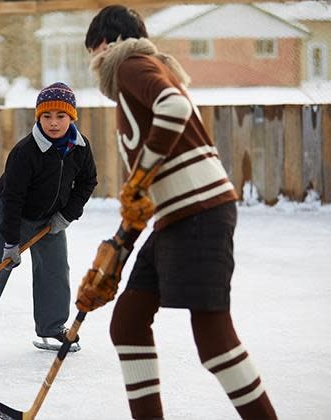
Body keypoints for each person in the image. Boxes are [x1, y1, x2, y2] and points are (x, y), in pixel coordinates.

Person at [76, 6, 277, 419]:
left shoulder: (129, 62)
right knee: (128, 323)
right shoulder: (139, 75)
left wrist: (143, 172)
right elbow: (144, 193)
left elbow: (174, 108)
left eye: (92, 49)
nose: (92, 62)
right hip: (178, 217)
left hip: (200, 212)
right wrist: (120, 245)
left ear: (107, 43)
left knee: (215, 339)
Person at [0, 82, 98, 355]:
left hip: (51, 219)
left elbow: (88, 181)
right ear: (38, 117)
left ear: (72, 117)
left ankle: (52, 327)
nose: (53, 123)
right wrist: (10, 241)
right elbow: (13, 199)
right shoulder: (25, 151)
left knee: (54, 271)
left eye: (61, 116)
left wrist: (66, 216)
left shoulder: (80, 147)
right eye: (47, 116)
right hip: (11, 214)